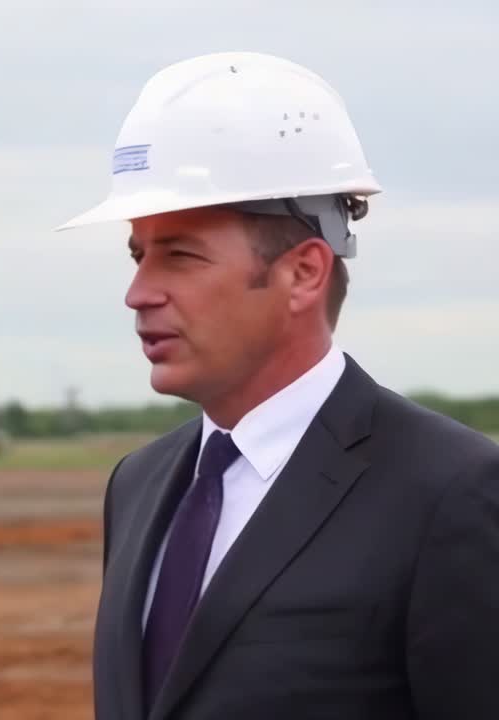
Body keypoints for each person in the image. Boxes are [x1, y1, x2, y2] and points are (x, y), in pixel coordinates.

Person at [55, 51, 499, 719]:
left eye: (180, 254)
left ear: (303, 273)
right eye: (138, 254)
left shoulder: (451, 492)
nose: (139, 293)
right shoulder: (137, 484)